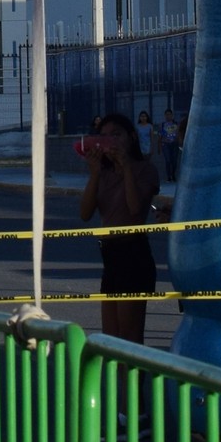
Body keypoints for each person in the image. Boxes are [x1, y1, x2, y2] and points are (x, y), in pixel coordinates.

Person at [78, 110, 163, 345]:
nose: (111, 141)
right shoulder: (104, 174)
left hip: (133, 254)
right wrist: (94, 174)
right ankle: (118, 371)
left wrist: (126, 167)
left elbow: (135, 208)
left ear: (131, 137)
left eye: (117, 135)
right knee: (110, 340)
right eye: (105, 136)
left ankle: (133, 371)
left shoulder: (145, 169)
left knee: (129, 338)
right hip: (110, 256)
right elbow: (85, 214)